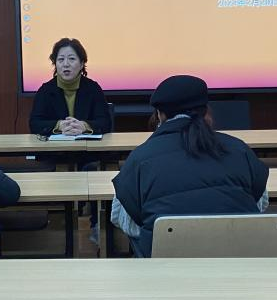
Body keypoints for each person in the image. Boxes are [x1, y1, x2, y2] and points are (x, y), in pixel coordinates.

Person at [111, 75, 269, 258]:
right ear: (206, 111)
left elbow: (121, 218)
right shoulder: (239, 149)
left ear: (159, 115)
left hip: (166, 269)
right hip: (238, 264)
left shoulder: (140, 158)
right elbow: (260, 204)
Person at [29, 38, 111, 136]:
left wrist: (84, 126)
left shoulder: (93, 89)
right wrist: (59, 126)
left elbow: (106, 122)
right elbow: (34, 124)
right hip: (55, 145)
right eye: (61, 59)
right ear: (55, 64)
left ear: (81, 64)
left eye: (71, 59)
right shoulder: (45, 90)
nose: (66, 64)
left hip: (86, 144)